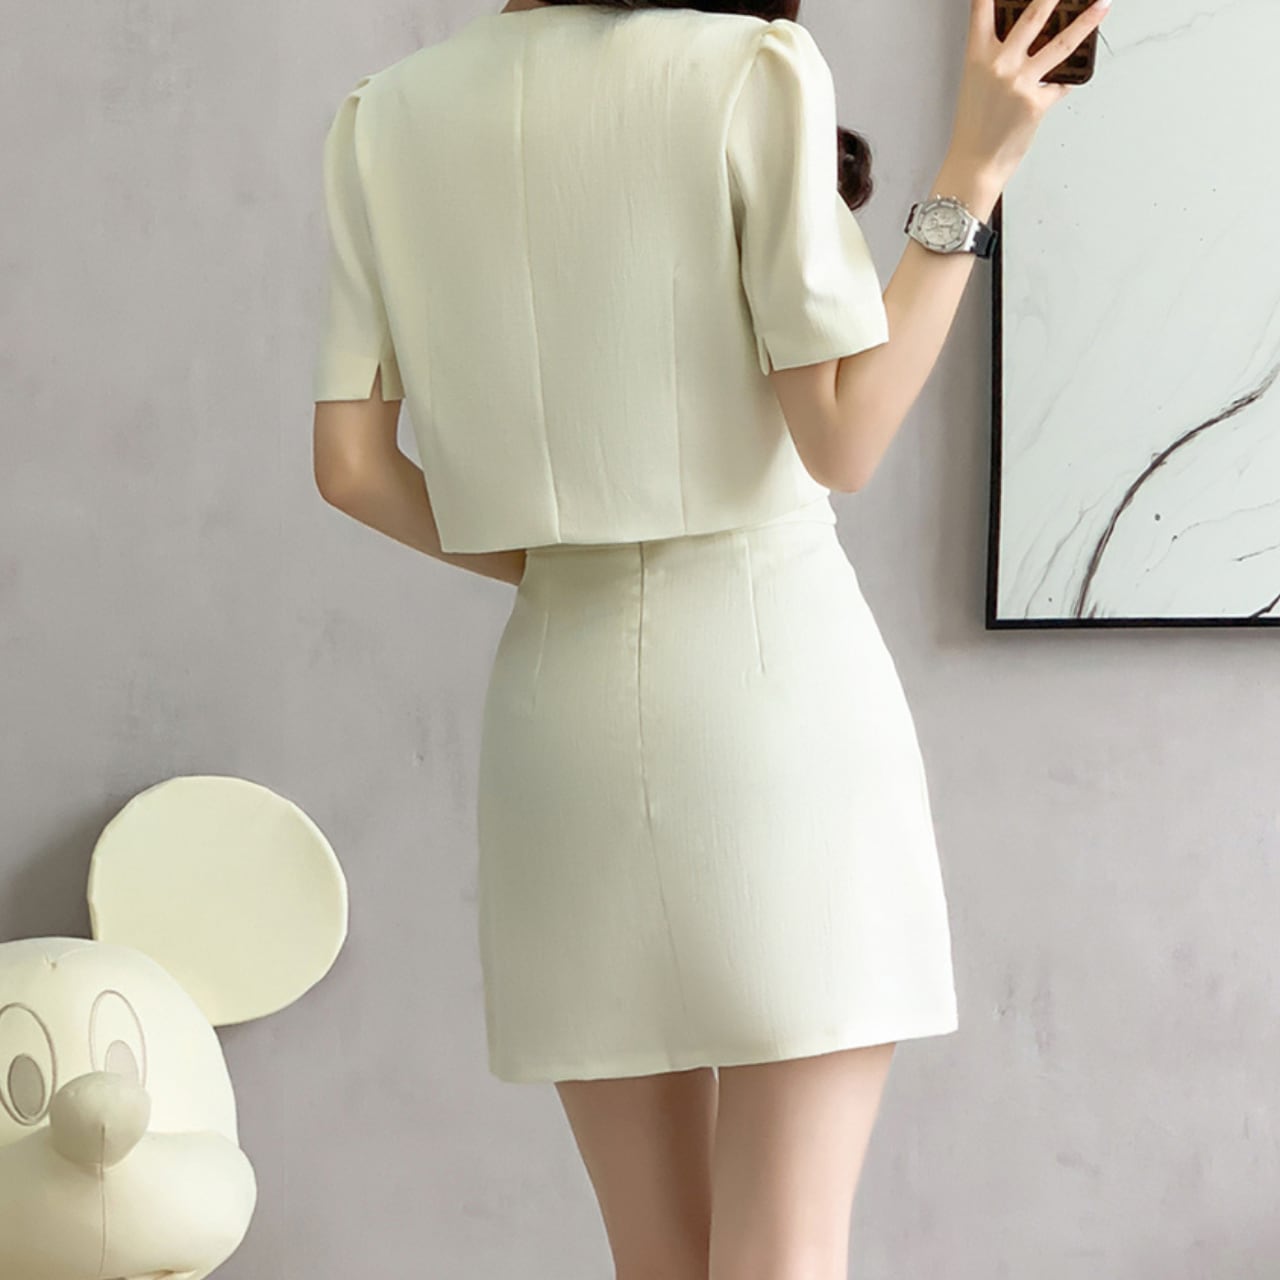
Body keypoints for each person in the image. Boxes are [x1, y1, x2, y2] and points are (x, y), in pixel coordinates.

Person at [310, 0, 1110, 1274]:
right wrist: (975, 169)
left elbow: (350, 466)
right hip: (766, 691)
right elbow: (842, 435)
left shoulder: (380, 123)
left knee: (657, 1259)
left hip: (556, 721)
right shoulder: (748, 69)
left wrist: (564, 559)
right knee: (781, 1251)